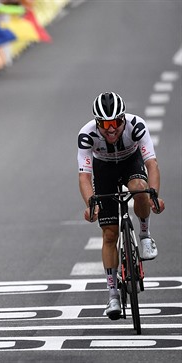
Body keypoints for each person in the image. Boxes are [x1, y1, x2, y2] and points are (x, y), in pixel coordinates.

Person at [77, 91, 165, 320]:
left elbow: (151, 164)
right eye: (105, 124)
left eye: (116, 122)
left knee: (140, 188)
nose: (111, 128)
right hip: (103, 169)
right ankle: (113, 294)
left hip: (130, 162)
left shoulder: (136, 126)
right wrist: (91, 204)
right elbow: (84, 177)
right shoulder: (86, 135)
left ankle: (145, 235)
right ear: (97, 123)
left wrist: (154, 194)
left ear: (123, 119)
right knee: (109, 234)